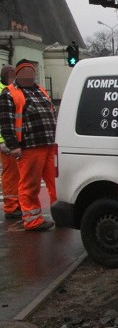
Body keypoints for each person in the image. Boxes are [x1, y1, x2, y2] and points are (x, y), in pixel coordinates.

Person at [0, 60, 57, 230]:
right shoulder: (9, 93)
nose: (29, 75)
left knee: (55, 183)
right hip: (29, 146)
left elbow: (51, 112)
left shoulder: (40, 90)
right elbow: (6, 122)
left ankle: (60, 214)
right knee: (30, 185)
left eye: (31, 71)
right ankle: (32, 221)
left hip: (49, 143)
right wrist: (13, 145)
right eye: (24, 71)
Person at [0, 65, 21, 219]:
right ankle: (11, 206)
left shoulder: (11, 89)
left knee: (18, 174)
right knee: (11, 174)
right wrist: (3, 142)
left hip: (13, 140)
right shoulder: (4, 91)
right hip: (7, 142)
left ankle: (17, 202)